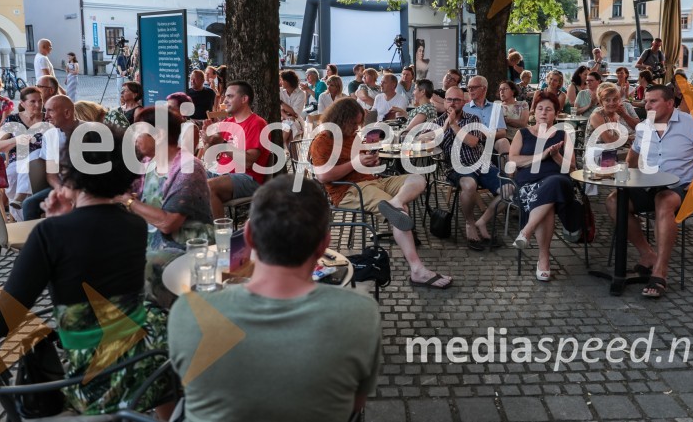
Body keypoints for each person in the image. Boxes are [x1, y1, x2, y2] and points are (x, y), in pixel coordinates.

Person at [0, 127, 172, 415]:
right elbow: (88, 250)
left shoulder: (51, 235)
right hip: (145, 362)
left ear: (69, 172)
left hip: (93, 382)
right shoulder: (135, 225)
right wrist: (61, 221)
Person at [168, 175, 381, 421]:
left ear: (248, 236)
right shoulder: (362, 315)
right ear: (324, 245)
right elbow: (355, 404)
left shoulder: (186, 312)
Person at [311, 98, 452, 288]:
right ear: (341, 119)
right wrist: (357, 163)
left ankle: (395, 203)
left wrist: (371, 163)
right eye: (354, 122)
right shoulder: (324, 140)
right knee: (400, 214)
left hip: (373, 182)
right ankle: (417, 270)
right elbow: (323, 176)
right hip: (349, 191)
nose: (357, 127)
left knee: (418, 179)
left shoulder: (352, 136)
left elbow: (361, 163)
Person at [604, 85, 693, 298]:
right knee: (614, 200)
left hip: (683, 188)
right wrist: (626, 173)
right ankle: (647, 254)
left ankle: (660, 271)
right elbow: (634, 152)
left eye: (653, 101)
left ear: (670, 103)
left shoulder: (692, 124)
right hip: (648, 184)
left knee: (664, 199)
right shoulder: (643, 127)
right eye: (646, 101)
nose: (646, 106)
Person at [120, 106, 213, 308]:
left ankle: (157, 323)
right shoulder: (148, 163)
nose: (135, 137)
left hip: (186, 246)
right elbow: (130, 194)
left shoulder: (188, 167)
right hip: (154, 241)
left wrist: (129, 201)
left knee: (137, 266)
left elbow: (168, 222)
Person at [508, 91, 578, 281]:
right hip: (529, 186)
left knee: (554, 183)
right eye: (540, 108)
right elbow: (512, 161)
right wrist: (542, 156)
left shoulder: (564, 134)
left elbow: (572, 167)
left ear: (556, 113)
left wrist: (556, 156)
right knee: (547, 201)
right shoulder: (522, 134)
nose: (543, 113)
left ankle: (526, 231)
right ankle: (543, 259)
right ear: (534, 111)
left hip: (560, 183)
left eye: (549, 109)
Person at [428, 86, 507, 250]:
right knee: (469, 185)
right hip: (457, 167)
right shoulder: (436, 123)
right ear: (444, 102)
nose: (453, 103)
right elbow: (423, 140)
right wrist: (444, 127)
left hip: (482, 164)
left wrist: (454, 125)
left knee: (510, 190)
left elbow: (472, 142)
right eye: (449, 99)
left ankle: (482, 221)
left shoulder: (473, 119)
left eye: (457, 100)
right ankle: (470, 224)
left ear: (464, 102)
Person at [204, 81, 271, 218]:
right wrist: (208, 141)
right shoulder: (228, 123)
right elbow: (209, 154)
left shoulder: (257, 123)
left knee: (209, 186)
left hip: (248, 178)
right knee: (185, 179)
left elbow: (247, 162)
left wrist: (222, 143)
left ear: (244, 99)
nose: (225, 100)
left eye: (229, 96)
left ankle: (219, 235)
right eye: (225, 97)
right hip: (222, 173)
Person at [22, 95, 79, 221]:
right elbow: (51, 173)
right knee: (29, 204)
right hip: (62, 186)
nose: (45, 116)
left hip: (88, 188)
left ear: (67, 113)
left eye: (50, 111)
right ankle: (38, 239)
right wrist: (61, 190)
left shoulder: (88, 132)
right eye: (45, 110)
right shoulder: (50, 135)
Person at [0, 86, 45, 213]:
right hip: (17, 162)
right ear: (23, 103)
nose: (38, 104)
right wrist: (16, 140)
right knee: (12, 175)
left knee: (36, 154)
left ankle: (21, 198)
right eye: (33, 101)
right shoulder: (13, 120)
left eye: (40, 100)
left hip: (43, 163)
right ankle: (24, 220)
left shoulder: (48, 118)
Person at [464, 75, 509, 153]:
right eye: (469, 87)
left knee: (503, 142)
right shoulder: (464, 108)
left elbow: (502, 133)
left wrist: (485, 135)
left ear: (484, 89)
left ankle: (508, 165)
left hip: (493, 142)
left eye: (474, 87)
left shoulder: (495, 107)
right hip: (473, 143)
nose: (470, 90)